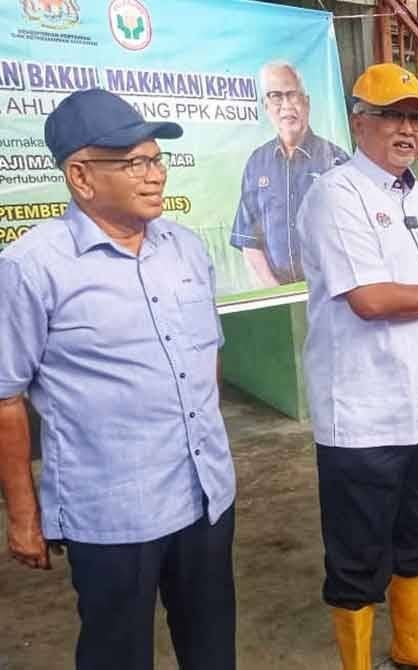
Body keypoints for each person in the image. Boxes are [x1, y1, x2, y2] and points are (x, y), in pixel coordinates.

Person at [0, 89, 236, 670]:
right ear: (81, 176)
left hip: (205, 495)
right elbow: (5, 396)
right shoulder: (32, 266)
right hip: (112, 514)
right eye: (135, 162)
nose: (155, 175)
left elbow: (207, 357)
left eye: (157, 159)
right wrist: (24, 517)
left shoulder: (185, 248)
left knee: (212, 650)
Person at [296, 62, 418, 670]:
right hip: (367, 416)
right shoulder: (336, 195)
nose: (407, 129)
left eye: (416, 118)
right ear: (358, 122)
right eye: (392, 117)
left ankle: (414, 642)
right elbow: (371, 300)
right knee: (358, 554)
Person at [230, 60, 350, 286]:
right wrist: (276, 293)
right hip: (278, 294)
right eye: (276, 96)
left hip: (332, 292)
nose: (286, 106)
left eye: (293, 95)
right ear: (266, 106)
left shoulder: (337, 161)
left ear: (307, 103)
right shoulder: (256, 163)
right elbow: (249, 241)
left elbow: (355, 237)